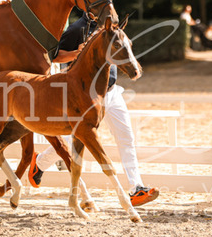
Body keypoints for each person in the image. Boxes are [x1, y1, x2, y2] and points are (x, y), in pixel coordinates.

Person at [28, 13, 160, 207]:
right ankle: (39, 163)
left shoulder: (113, 28)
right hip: (85, 95)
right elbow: (54, 56)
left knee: (126, 137)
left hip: (112, 91)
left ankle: (136, 188)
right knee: (74, 139)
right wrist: (76, 53)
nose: (108, 9)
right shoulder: (76, 29)